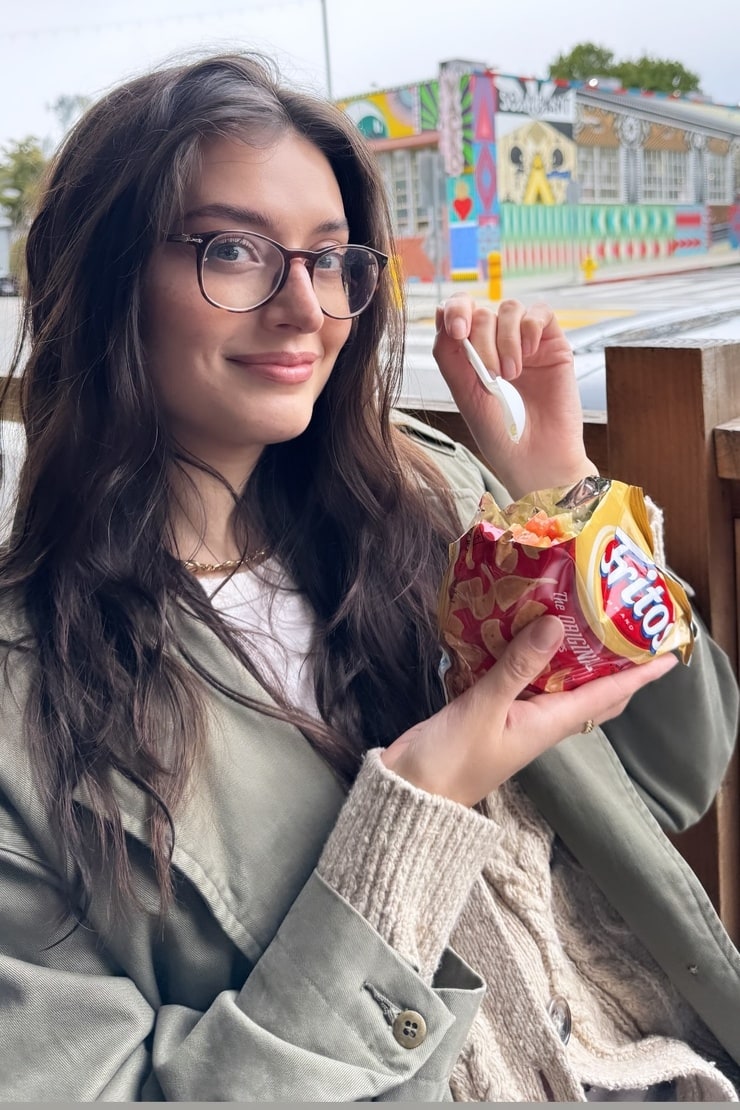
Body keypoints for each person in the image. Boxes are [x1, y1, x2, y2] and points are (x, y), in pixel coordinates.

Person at [0, 52, 738, 1103]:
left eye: (331, 257)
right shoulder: (26, 699)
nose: (305, 308)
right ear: (102, 270)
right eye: (233, 250)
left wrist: (565, 501)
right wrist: (421, 805)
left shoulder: (426, 496)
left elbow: (678, 767)